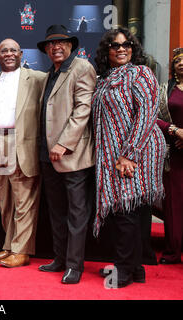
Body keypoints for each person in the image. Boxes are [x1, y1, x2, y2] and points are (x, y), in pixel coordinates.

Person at [92, 28, 166, 287]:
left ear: (133, 49)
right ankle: (136, 267)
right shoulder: (104, 79)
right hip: (115, 153)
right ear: (107, 51)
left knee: (125, 210)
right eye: (114, 45)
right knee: (131, 210)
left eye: (126, 45)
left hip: (137, 150)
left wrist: (129, 154)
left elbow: (147, 113)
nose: (120, 49)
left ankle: (122, 270)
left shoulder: (140, 73)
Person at [36, 25, 96, 284]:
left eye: (61, 43)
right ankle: (59, 259)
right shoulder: (50, 73)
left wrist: (64, 144)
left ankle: (75, 265)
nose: (56, 47)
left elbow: (83, 109)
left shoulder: (82, 67)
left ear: (71, 46)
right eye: (51, 44)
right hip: (47, 156)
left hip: (73, 155)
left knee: (76, 214)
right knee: (56, 211)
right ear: (46, 50)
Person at [0, 38, 46, 268]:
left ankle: (22, 250)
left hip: (20, 143)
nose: (8, 54)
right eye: (4, 50)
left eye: (13, 50)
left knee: (24, 199)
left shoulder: (36, 78)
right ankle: (9, 246)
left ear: (20, 54)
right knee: (4, 200)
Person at [156, 47, 183, 264]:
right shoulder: (165, 90)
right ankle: (173, 251)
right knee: (173, 204)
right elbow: (154, 118)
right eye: (177, 60)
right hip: (173, 154)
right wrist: (175, 131)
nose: (181, 63)